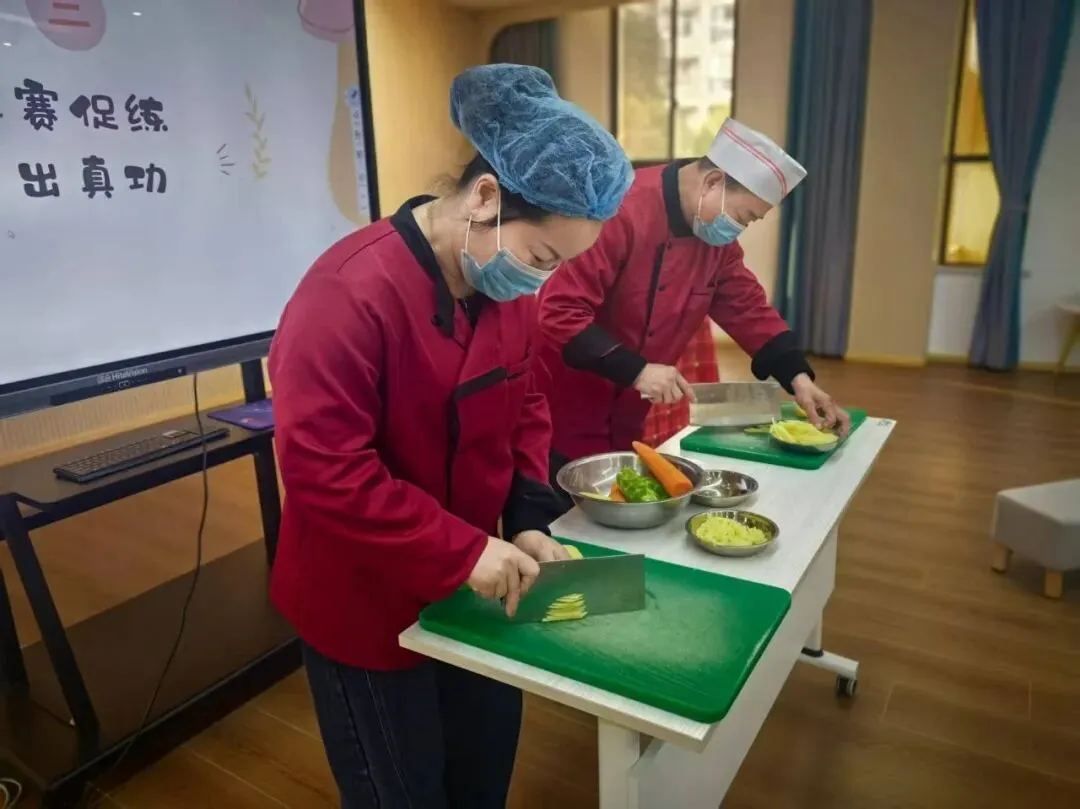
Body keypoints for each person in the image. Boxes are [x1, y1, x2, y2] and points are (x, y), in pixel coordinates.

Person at [267, 64, 633, 809]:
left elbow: (526, 405)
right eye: (542, 258)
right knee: (401, 788)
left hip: (477, 584)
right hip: (364, 598)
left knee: (481, 773)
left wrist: (527, 517)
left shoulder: (504, 287)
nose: (544, 281)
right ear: (485, 197)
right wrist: (463, 549)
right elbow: (323, 470)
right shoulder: (346, 293)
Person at [532, 117, 851, 477]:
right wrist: (637, 371)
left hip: (629, 409)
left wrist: (799, 379)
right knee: (561, 497)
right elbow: (559, 312)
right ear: (713, 182)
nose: (738, 230)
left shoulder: (714, 238)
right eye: (743, 217)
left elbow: (746, 307)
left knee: (616, 494)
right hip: (567, 400)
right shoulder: (621, 209)